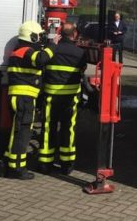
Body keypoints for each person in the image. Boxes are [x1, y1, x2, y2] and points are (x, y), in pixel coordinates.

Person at [3, 21, 57, 180]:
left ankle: (9, 163)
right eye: (39, 36)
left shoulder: (19, 50)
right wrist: (52, 45)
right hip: (24, 98)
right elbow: (41, 59)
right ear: (32, 36)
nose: (40, 38)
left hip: (20, 97)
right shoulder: (25, 51)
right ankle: (18, 168)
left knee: (16, 131)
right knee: (23, 133)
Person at [37, 23, 87, 175]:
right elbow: (82, 70)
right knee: (68, 129)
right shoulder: (80, 53)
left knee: (47, 129)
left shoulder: (52, 50)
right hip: (70, 99)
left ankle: (45, 163)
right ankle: (67, 164)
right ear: (74, 34)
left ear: (60, 33)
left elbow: (42, 66)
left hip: (51, 97)